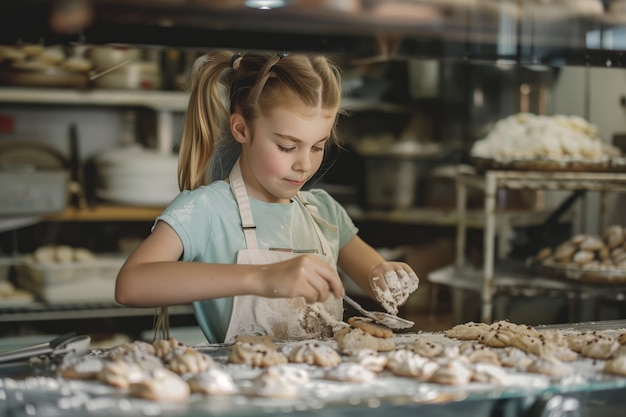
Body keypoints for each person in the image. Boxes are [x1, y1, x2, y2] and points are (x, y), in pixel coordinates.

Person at [115, 50, 419, 344]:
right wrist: (261, 278)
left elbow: (373, 277)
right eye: (287, 147)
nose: (304, 164)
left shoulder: (323, 212)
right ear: (241, 129)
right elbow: (131, 285)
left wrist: (385, 275)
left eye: (317, 147)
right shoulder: (207, 210)